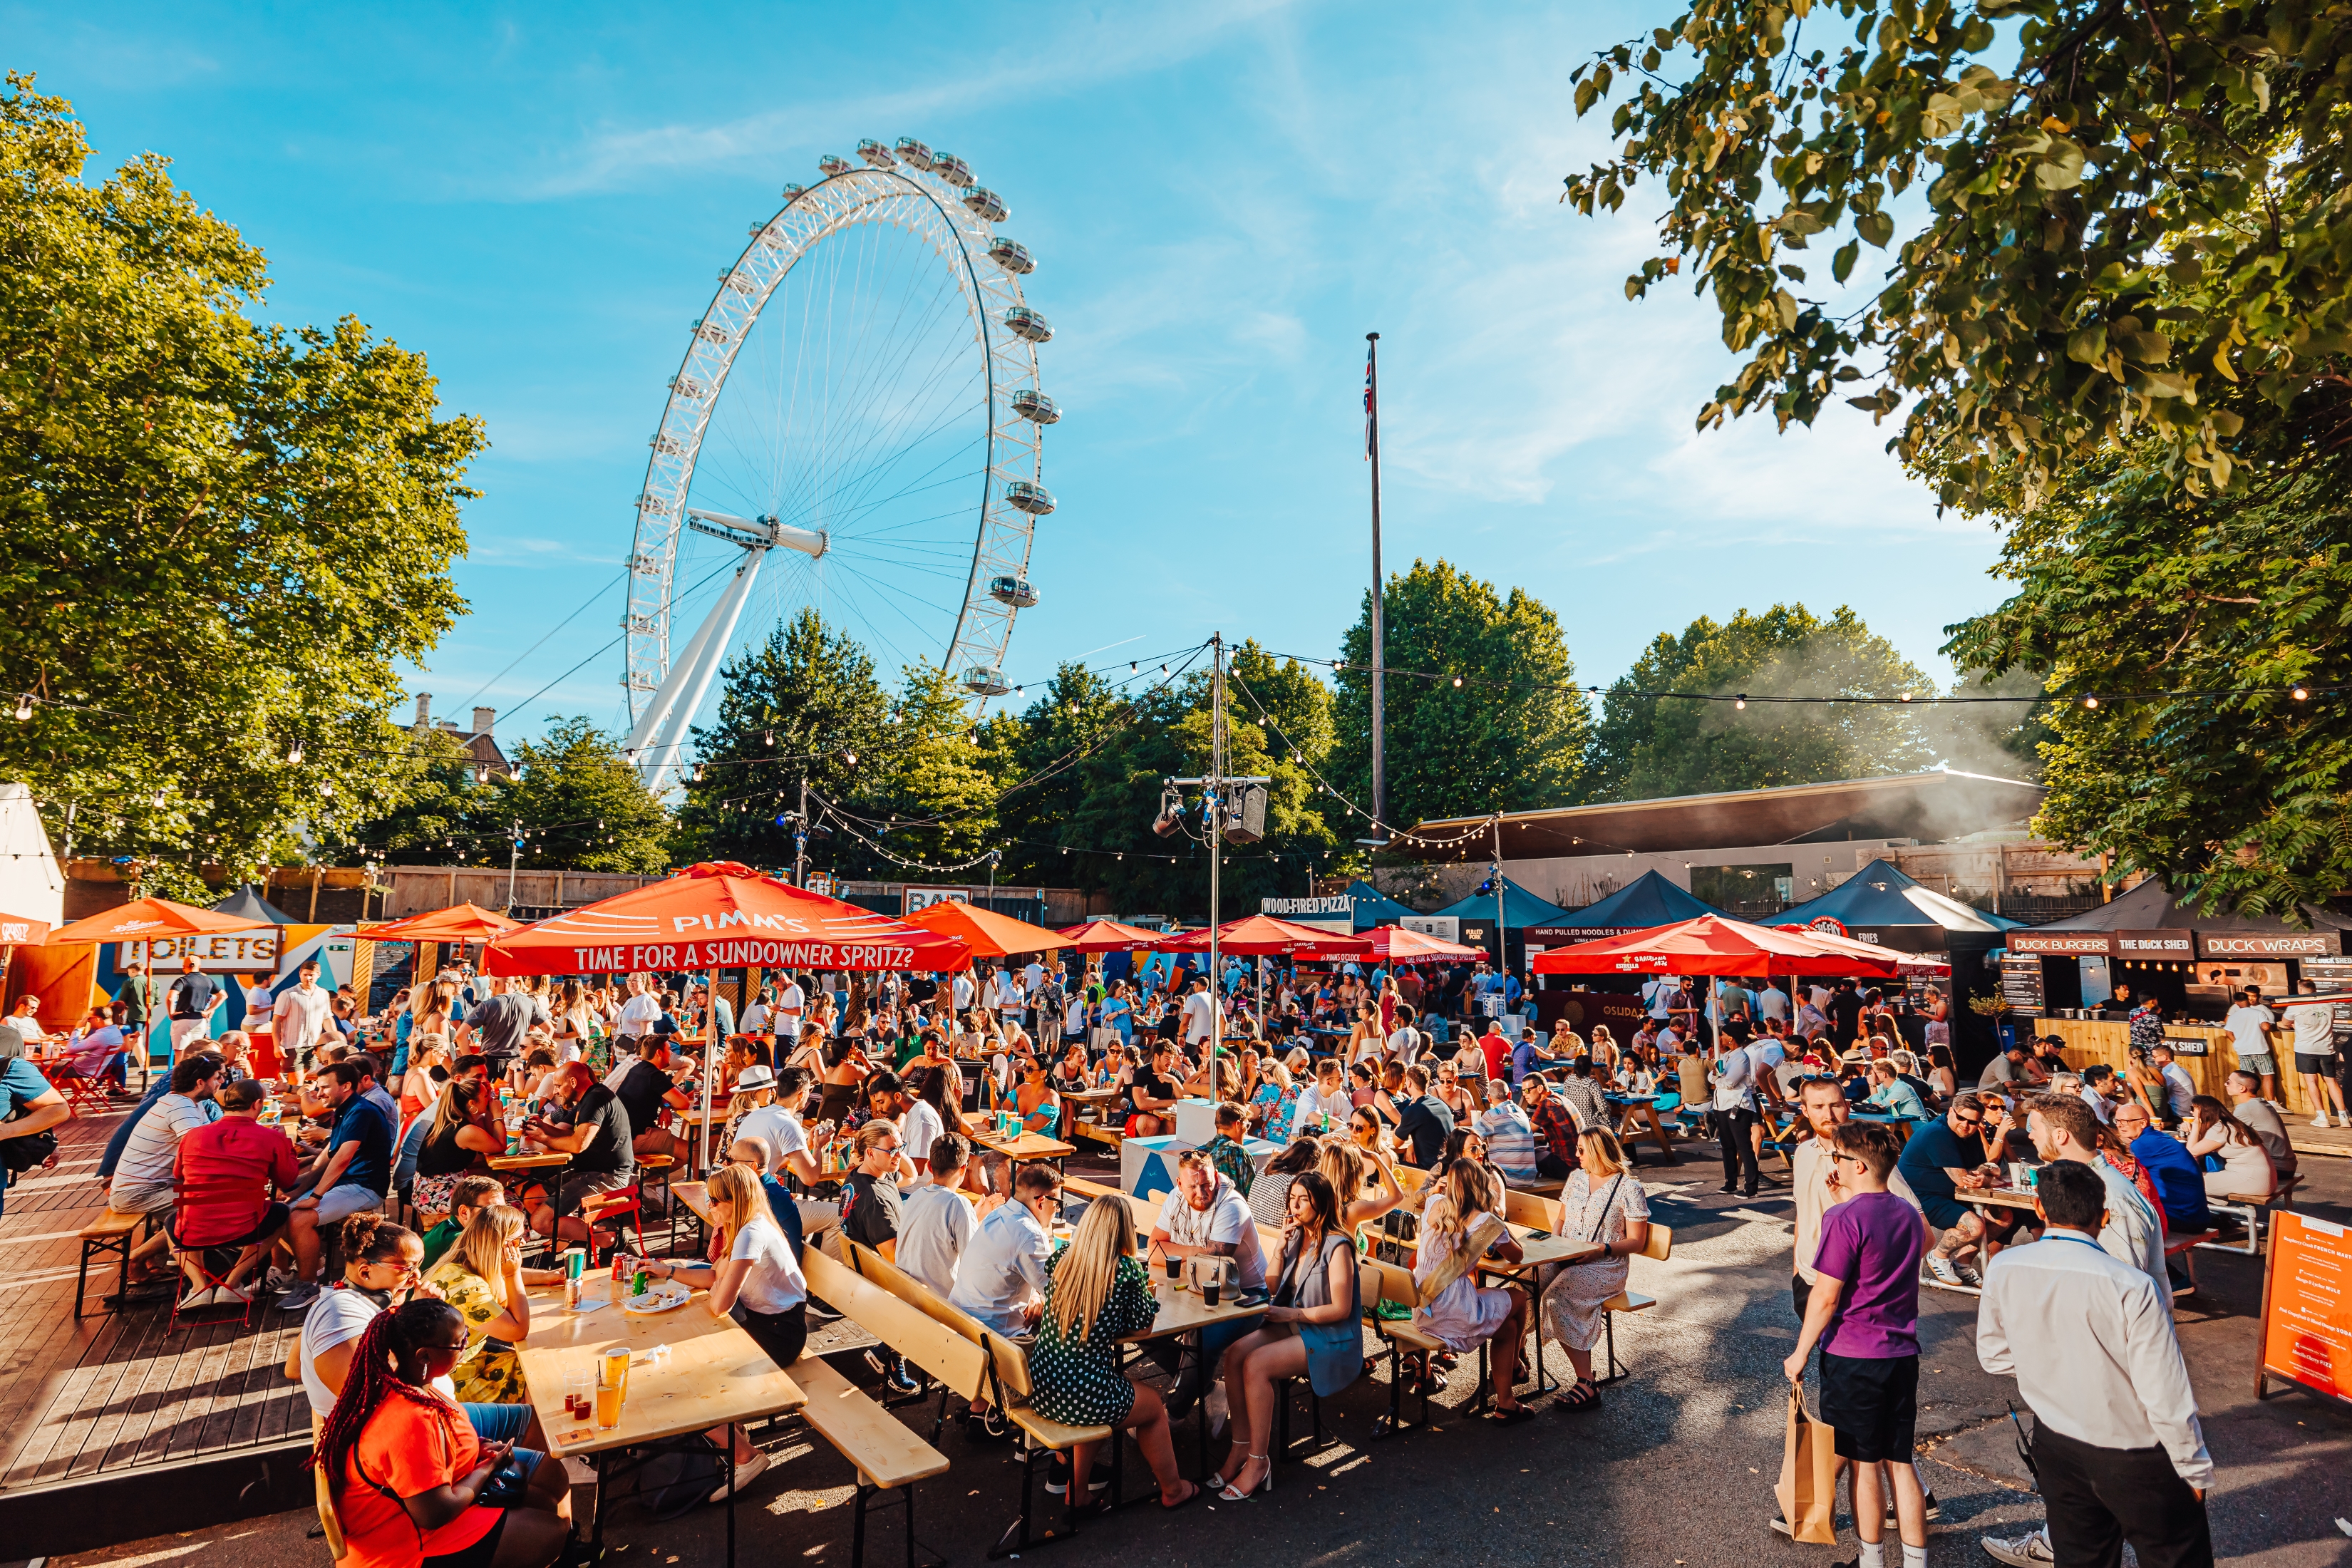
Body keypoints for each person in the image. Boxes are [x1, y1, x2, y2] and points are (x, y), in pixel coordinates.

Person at [1975, 1160, 2214, 1568]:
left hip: (2054, 1440)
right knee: (2175, 1555)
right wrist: (2193, 1467)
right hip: (2133, 1451)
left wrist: (2051, 1366)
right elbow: (2164, 1392)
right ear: (2104, 1217)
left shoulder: (2004, 1266)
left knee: (2081, 1556)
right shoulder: (2131, 1285)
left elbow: (1994, 1356)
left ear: (2040, 1209)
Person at [314, 1298, 571, 1568]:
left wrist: (477, 1449)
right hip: (404, 1548)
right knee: (550, 1533)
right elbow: (437, 1513)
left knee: (543, 1501)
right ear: (424, 1356)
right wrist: (486, 1469)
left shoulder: (408, 1385)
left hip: (418, 1515)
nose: (465, 1347)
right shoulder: (409, 1420)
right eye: (459, 1344)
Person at [1783, 1122, 1931, 1568]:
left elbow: (1826, 1296)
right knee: (1899, 1462)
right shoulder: (1906, 1212)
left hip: (1853, 1354)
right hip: (1901, 1352)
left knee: (1865, 1463)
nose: (1835, 1164)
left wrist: (1801, 1351)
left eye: (1840, 1158)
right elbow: (1919, 1241)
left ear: (1859, 1165)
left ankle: (1871, 1561)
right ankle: (1916, 1560)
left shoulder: (1842, 1219)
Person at [621, 1161, 808, 1500]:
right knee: (681, 1360)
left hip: (780, 1334)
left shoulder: (751, 1232)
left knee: (682, 1378)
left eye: (715, 1201)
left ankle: (745, 1456)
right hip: (768, 1324)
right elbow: (711, 1279)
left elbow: (720, 1303)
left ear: (736, 1200)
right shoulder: (744, 1226)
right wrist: (668, 1270)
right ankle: (732, 1430)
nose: (710, 1207)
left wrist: (697, 1291)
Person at [1028, 1195, 1202, 1510]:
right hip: (1083, 1393)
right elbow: (1145, 1328)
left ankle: (1078, 1491)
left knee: (1097, 1397)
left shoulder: (1062, 1259)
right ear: (1123, 1232)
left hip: (1044, 1385)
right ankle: (1173, 1490)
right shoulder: (1126, 1271)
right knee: (1151, 1408)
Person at [1212, 1170, 1363, 1500]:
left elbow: (1340, 1308)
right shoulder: (1298, 1236)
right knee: (1235, 1354)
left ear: (1321, 1202)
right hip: (1298, 1324)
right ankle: (1239, 1446)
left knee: (1256, 1365)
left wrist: (1289, 1314)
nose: (1294, 1206)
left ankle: (1257, 1461)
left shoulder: (1338, 1246)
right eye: (1291, 1198)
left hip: (1329, 1335)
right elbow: (1271, 1286)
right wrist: (1280, 1247)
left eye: (1303, 1200)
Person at [1410, 1158, 1533, 1422]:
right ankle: (1515, 1363)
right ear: (1482, 1187)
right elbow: (1517, 1256)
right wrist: (1498, 1224)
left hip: (1423, 1307)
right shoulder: (1485, 1221)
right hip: (1454, 1308)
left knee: (1508, 1329)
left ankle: (1506, 1403)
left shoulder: (1434, 1204)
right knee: (1520, 1296)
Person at [1539, 1128, 1651, 1412]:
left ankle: (1587, 1383)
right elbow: (1561, 1219)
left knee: (1557, 1296)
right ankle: (1516, 1360)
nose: (1576, 1155)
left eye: (1581, 1150)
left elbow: (1637, 1241)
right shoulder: (1576, 1178)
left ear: (1599, 1152)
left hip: (1605, 1265)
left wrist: (1601, 1250)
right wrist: (1554, 1247)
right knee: (1527, 1281)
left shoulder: (1629, 1188)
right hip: (1567, 1255)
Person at [169, 1076, 299, 1305]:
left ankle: (199, 1287)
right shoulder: (270, 1137)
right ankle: (232, 1283)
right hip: (244, 1228)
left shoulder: (193, 1136)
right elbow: (287, 1180)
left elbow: (178, 1175)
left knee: (174, 1220)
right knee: (280, 1213)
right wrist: (285, 1143)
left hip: (194, 1230)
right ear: (257, 1104)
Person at [2024, 1095, 2166, 1291]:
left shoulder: (2111, 1197)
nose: (2030, 1136)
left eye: (2035, 1129)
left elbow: (2125, 1282)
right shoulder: (2081, 1184)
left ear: (2060, 1135)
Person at [422, 1205, 540, 1405]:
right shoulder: (467, 1287)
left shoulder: (462, 1264)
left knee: (538, 1366)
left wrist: (546, 1276)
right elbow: (518, 1330)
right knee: (537, 1380)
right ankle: (529, 1429)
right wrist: (513, 1273)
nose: (523, 1244)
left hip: (473, 1362)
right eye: (519, 1240)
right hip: (456, 1379)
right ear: (501, 1244)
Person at [1896, 1092, 2013, 1289]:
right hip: (1921, 1197)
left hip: (1952, 1195)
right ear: (1951, 1111)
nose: (1966, 1125)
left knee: (2004, 1217)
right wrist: (1983, 1175)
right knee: (1975, 1226)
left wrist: (1983, 1174)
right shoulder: (1938, 1134)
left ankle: (1963, 1262)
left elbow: (1987, 1168)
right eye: (1961, 1118)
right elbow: (1963, 1179)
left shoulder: (1972, 1133)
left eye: (1972, 1122)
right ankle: (1938, 1256)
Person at [519, 1062, 636, 1247]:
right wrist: (543, 1126)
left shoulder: (596, 1099)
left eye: (558, 1086)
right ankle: (568, 1238)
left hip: (609, 1176)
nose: (556, 1092)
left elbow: (577, 1145)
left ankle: (608, 1239)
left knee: (540, 1222)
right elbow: (574, 1135)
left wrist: (543, 1138)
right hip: (588, 1171)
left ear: (572, 1082)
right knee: (531, 1198)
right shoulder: (591, 1096)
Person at [950, 1161, 1058, 1336]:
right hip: (994, 1339)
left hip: (959, 1323)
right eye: (1058, 1203)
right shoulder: (1030, 1234)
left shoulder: (996, 1215)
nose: (1057, 1210)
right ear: (1041, 1202)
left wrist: (1036, 1295)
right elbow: (1058, 1295)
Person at [2112, 1100, 2212, 1237]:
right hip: (2196, 1215)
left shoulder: (2143, 1144)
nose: (2120, 1125)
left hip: (2184, 1218)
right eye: (2117, 1121)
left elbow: (2122, 1177)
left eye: (2126, 1121)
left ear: (2143, 1123)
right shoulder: (2158, 1137)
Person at [412, 1078, 502, 1225]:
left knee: (497, 1189)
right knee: (506, 1205)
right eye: (486, 1096)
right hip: (436, 1196)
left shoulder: (453, 1121)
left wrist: (489, 1113)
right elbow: (499, 1146)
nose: (490, 1099)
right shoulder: (466, 1131)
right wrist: (498, 1114)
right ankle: (501, 1245)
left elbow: (490, 1139)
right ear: (472, 1104)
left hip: (427, 1190)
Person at [896, 1133, 975, 1297]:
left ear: (930, 1167)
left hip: (905, 1293)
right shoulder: (959, 1204)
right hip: (939, 1303)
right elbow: (974, 1262)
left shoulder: (916, 1196)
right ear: (963, 1169)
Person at [2183, 1093, 2276, 1201]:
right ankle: (2219, 1214)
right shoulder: (2229, 1124)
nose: (2191, 1112)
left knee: (2189, 1181)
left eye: (2192, 1108)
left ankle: (2213, 1214)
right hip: (2263, 1179)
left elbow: (2191, 1153)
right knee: (2201, 1178)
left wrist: (2195, 1125)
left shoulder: (2220, 1128)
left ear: (2202, 1111)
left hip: (2253, 1180)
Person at [2283, 981, 2346, 1128]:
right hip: (2326, 1048)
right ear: (2315, 989)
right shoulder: (2328, 1006)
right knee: (2332, 1082)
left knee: (2312, 1082)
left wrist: (2296, 1024)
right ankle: (2343, 1117)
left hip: (2305, 1049)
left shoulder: (2295, 1005)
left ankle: (2322, 1118)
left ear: (2300, 989)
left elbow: (2285, 1023)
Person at [1710, 1032, 1761, 1197]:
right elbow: (1712, 1077)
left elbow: (1730, 1082)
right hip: (1721, 1104)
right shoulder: (1725, 1056)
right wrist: (1717, 1076)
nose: (1721, 1038)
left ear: (1731, 1038)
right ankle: (1730, 1183)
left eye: (1723, 1035)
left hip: (1738, 1105)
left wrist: (1718, 1079)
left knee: (1744, 1146)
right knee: (1727, 1145)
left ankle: (1751, 1187)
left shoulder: (1741, 1057)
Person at [2222, 1069, 2297, 1182]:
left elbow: (2225, 1135)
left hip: (2277, 1167)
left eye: (2229, 1082)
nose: (2225, 1084)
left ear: (2242, 1088)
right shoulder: (2260, 1103)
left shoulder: (2246, 1108)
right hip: (2287, 1165)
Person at [421, 1175, 510, 1270]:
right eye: (491, 1210)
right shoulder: (461, 1241)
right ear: (464, 1212)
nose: (500, 1216)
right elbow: (504, 1275)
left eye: (503, 1209)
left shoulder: (446, 1227)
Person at [272, 957, 336, 1073]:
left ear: (318, 975)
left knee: (311, 1080)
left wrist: (336, 1040)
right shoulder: (288, 994)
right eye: (305, 974)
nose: (308, 978)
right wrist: (277, 1045)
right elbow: (277, 1020)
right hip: (293, 1046)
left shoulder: (323, 994)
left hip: (315, 1046)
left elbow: (327, 1018)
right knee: (295, 1082)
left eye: (311, 975)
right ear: (300, 974)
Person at [1390, 1063, 1455, 1169]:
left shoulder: (1414, 1109)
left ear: (1409, 1083)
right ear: (1427, 1083)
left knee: (1386, 1165)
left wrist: (1407, 1111)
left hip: (1429, 1170)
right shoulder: (1441, 1104)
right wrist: (1413, 1145)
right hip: (1449, 1167)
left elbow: (1396, 1142)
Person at [2222, 984, 2280, 1101]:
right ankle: (2271, 1102)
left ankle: (2250, 1102)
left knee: (2247, 1078)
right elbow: (2266, 1027)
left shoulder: (2234, 1015)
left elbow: (2228, 1032)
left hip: (2243, 1050)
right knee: (2267, 1075)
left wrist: (2238, 1042)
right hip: (2259, 1048)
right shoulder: (2259, 1013)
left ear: (2237, 1003)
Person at [1247, 1137, 1320, 1229]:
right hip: (1279, 1237)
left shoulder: (1265, 1170)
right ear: (1314, 1165)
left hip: (1256, 1233)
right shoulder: (1293, 1183)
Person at [1476, 1082, 1539, 1185]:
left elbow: (1471, 1137)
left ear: (1489, 1098)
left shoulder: (1492, 1115)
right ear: (1510, 1095)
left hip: (1506, 1178)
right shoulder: (1521, 1112)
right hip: (1529, 1179)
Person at [1522, 1076, 1580, 1180]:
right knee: (1537, 1151)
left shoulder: (1546, 1104)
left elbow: (1525, 1134)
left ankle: (1529, 1188)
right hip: (1580, 1162)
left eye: (1527, 1090)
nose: (1524, 1094)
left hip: (1567, 1167)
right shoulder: (1558, 1098)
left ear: (1540, 1089)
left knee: (1527, 1157)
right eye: (1523, 1091)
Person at [166, 955, 225, 1053]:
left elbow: (170, 997)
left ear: (184, 967)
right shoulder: (208, 980)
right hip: (200, 1020)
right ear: (199, 966)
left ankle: (181, 1069)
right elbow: (223, 995)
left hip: (183, 1019)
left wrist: (171, 1012)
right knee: (195, 1052)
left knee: (180, 1053)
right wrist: (208, 1011)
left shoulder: (183, 980)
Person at [1199, 1101, 1256, 1194]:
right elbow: (1253, 1193)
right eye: (1246, 1125)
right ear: (1238, 1125)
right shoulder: (1239, 1153)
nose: (1246, 1131)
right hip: (1233, 1208)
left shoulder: (1199, 1152)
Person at [1289, 1056, 1351, 1140]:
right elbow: (1318, 1119)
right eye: (1340, 1079)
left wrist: (1353, 1127)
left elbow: (1352, 1119)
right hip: (1303, 1145)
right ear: (1329, 1082)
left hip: (1324, 1142)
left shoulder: (1340, 1095)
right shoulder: (1307, 1096)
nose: (1343, 1080)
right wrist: (1349, 1127)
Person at [1864, 1061, 1929, 1120]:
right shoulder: (1883, 1087)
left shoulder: (1902, 1088)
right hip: (1900, 1125)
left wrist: (1872, 1085)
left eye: (1874, 1073)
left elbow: (1880, 1107)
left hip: (1915, 1128)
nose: (1871, 1075)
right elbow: (1869, 1102)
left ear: (1884, 1074)